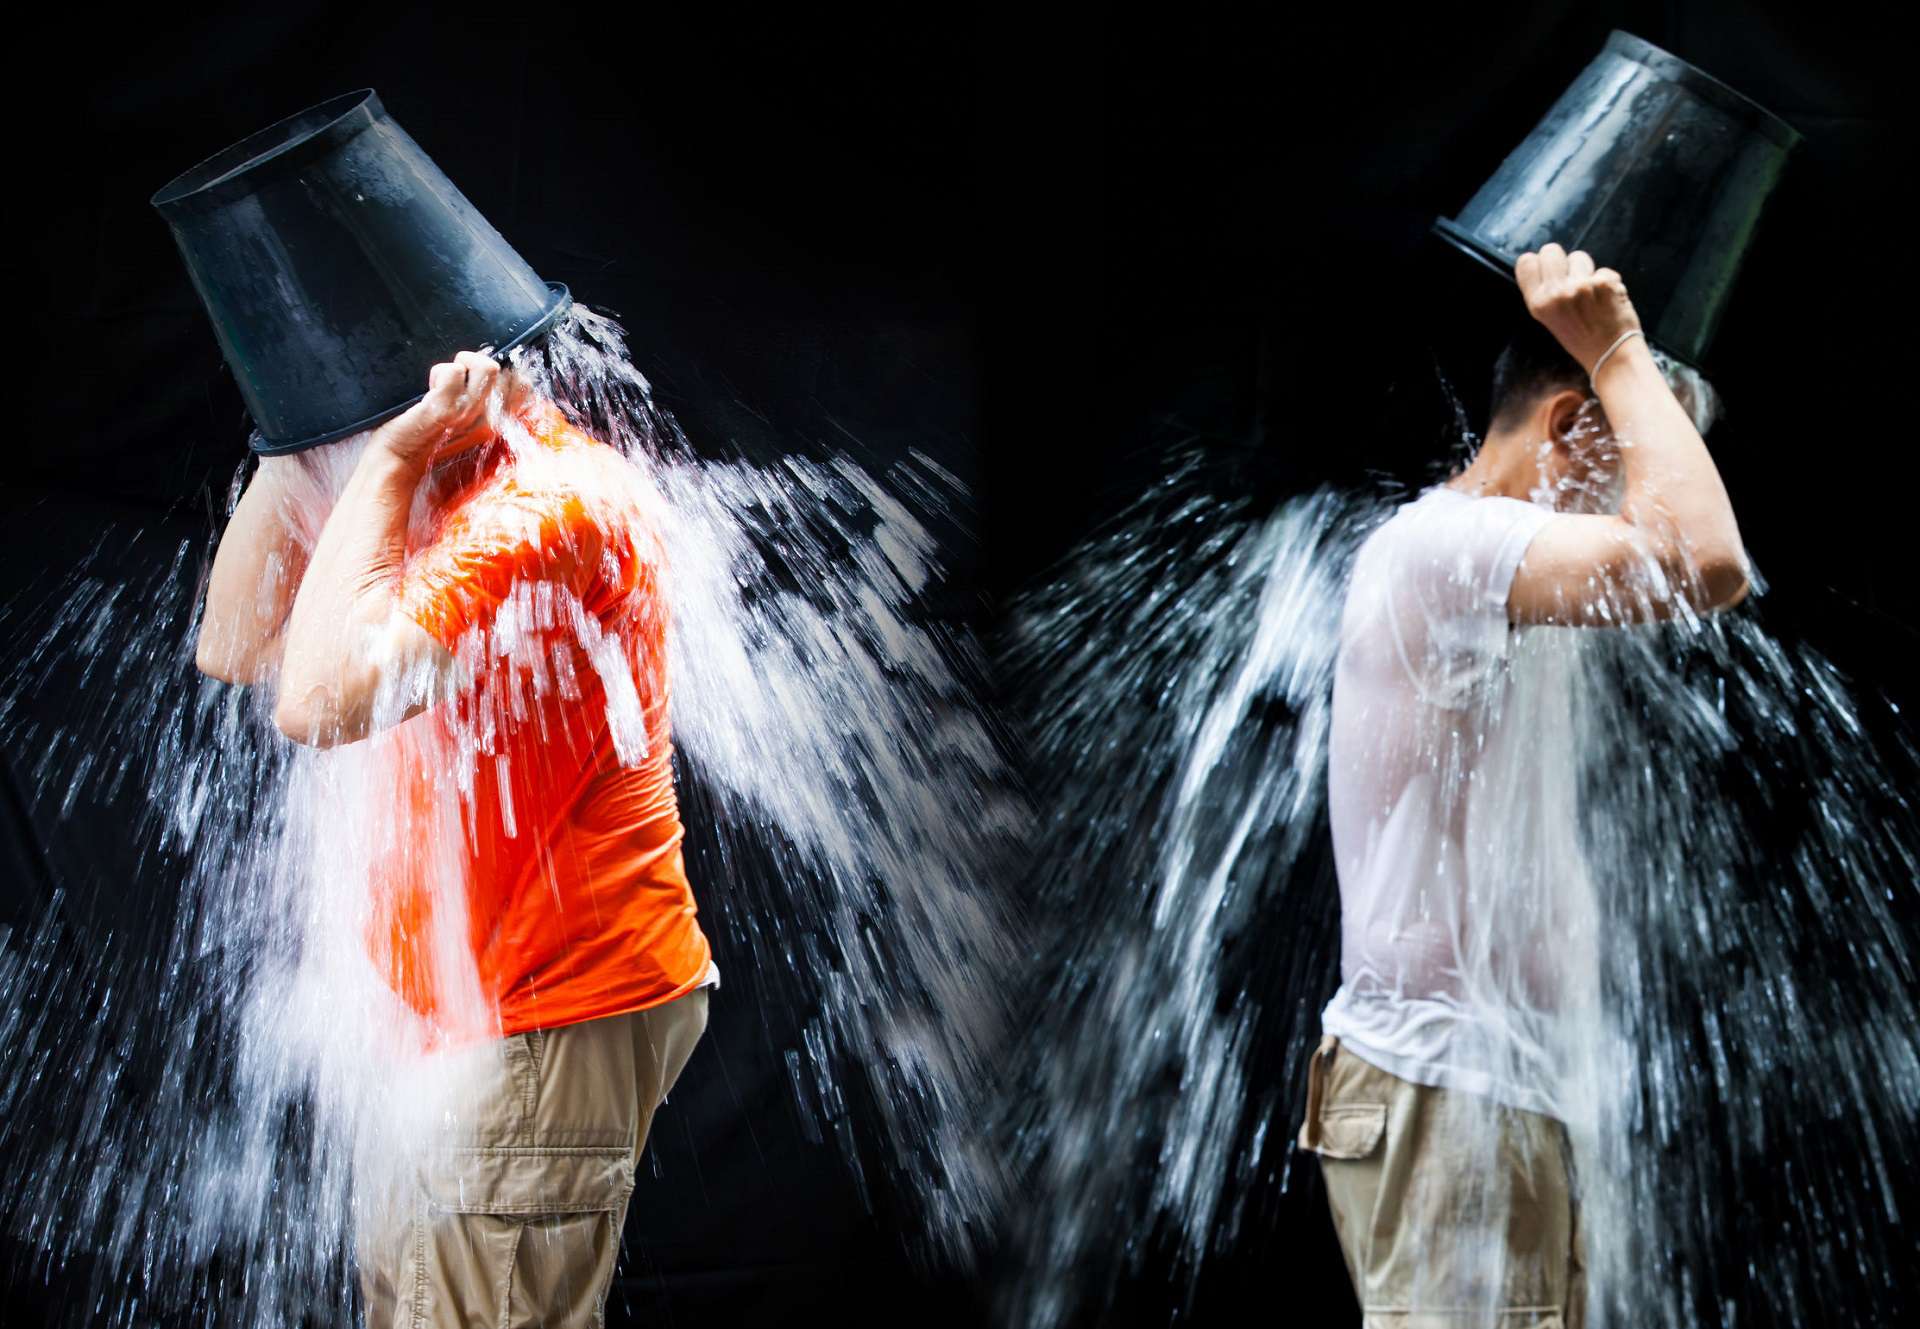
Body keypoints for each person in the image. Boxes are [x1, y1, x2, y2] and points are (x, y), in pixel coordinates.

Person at [195, 349, 718, 1327]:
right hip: (454, 1014)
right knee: (410, 1302)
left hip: (542, 1022)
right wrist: (293, 433)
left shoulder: (544, 502)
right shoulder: (431, 481)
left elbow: (316, 701)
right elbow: (236, 646)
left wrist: (389, 460)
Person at [1293, 243, 1749, 1326]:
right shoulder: (1445, 551)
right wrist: (1622, 350)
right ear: (1567, 429)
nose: (1636, 490)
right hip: (1450, 1099)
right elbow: (1704, 564)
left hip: (1486, 1098)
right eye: (1629, 451)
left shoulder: (1486, 577)